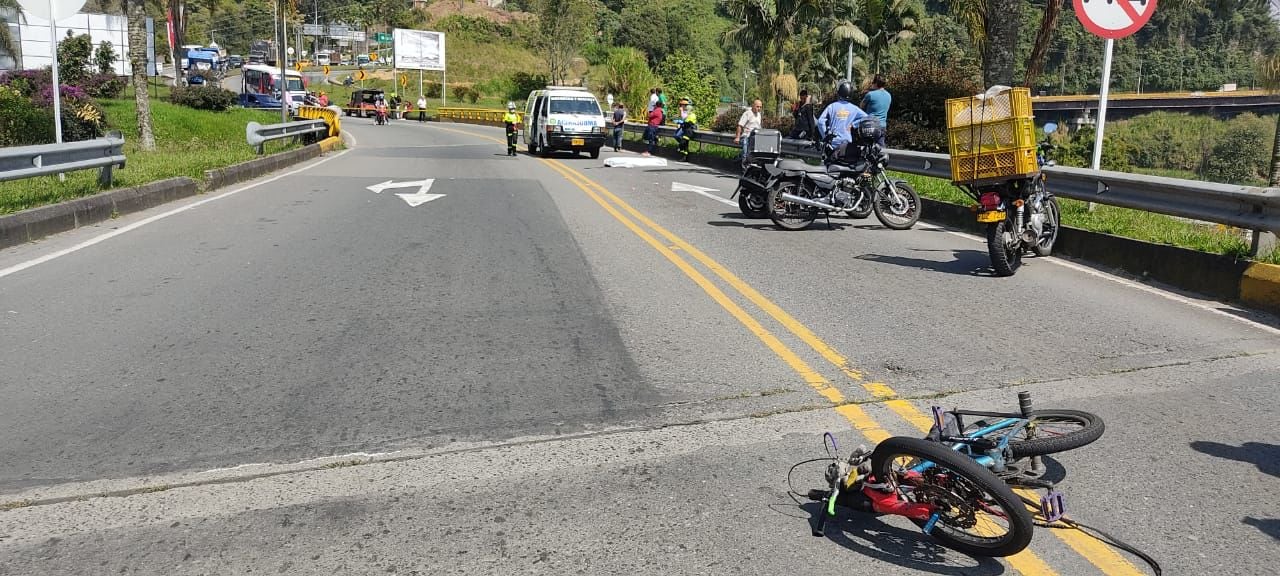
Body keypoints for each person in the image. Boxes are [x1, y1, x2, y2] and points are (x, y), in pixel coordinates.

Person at [817, 80, 869, 155]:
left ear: (839, 92)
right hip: (847, 144)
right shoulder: (854, 108)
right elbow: (867, 118)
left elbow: (820, 122)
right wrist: (853, 124)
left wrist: (825, 137)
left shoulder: (831, 106)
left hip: (833, 144)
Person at [733, 99, 763, 166]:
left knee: (754, 154)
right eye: (757, 106)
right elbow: (740, 125)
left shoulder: (759, 115)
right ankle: (744, 169)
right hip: (747, 136)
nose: (759, 108)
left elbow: (758, 127)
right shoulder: (747, 113)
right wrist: (737, 137)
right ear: (753, 106)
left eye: (760, 107)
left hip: (755, 137)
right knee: (745, 153)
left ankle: (739, 159)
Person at [673, 98, 698, 162]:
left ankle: (682, 152)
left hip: (689, 132)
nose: (686, 110)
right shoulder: (689, 115)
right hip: (686, 130)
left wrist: (681, 124)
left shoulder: (692, 115)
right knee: (685, 144)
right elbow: (685, 122)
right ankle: (684, 157)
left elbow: (688, 123)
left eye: (687, 109)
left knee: (683, 143)